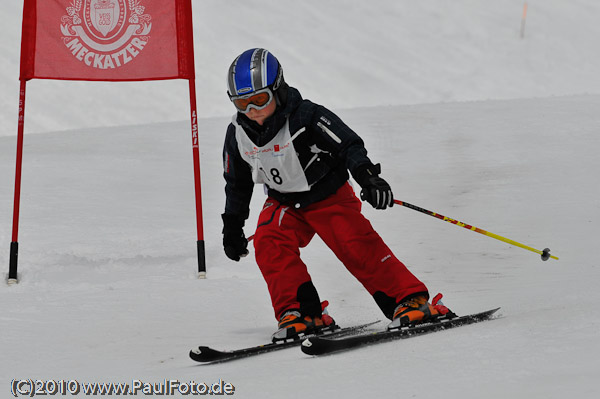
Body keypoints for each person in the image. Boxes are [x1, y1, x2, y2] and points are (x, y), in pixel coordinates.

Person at [221, 48, 441, 341]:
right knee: (269, 240)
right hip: (285, 201)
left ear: (279, 88)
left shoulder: (307, 116)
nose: (252, 111)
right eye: (242, 103)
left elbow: (349, 145)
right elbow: (236, 182)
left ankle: (410, 299)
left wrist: (368, 178)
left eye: (260, 100)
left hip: (328, 196)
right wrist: (232, 226)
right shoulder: (238, 134)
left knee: (355, 244)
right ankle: (301, 313)